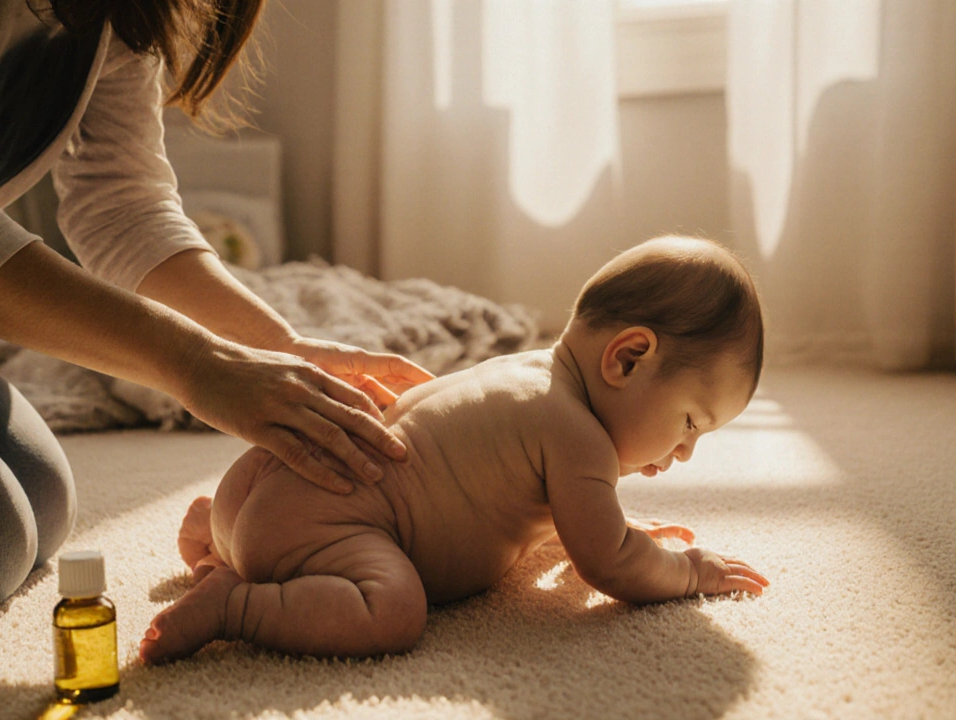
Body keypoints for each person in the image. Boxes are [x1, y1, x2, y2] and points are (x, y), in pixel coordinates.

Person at [0, 0, 433, 619]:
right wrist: (196, 365)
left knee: (41, 502)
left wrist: (279, 349)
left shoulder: (124, 11)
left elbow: (121, 204)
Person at [139, 235, 771, 663]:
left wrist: (608, 515)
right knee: (392, 611)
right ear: (628, 358)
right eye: (690, 422)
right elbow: (608, 563)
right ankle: (238, 604)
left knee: (262, 523)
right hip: (329, 534)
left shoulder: (525, 372)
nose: (686, 451)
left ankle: (211, 532)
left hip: (258, 486)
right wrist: (688, 571)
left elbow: (534, 503)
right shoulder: (577, 439)